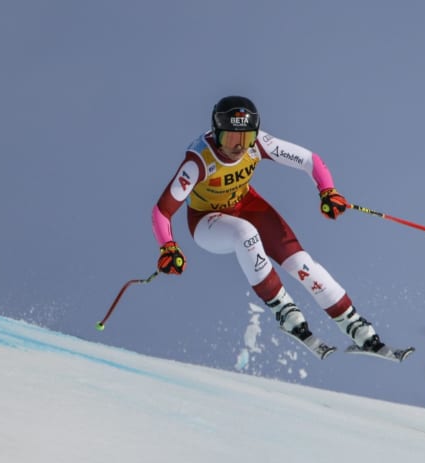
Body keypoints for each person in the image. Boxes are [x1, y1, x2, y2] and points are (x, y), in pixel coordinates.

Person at [151, 95, 400, 359]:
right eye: (231, 139)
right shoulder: (199, 160)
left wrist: (328, 191)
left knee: (302, 264)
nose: (238, 147)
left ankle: (357, 328)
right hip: (207, 221)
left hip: (247, 205)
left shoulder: (259, 144)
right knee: (246, 234)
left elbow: (310, 160)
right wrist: (168, 247)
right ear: (216, 133)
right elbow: (162, 210)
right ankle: (284, 309)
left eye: (245, 139)